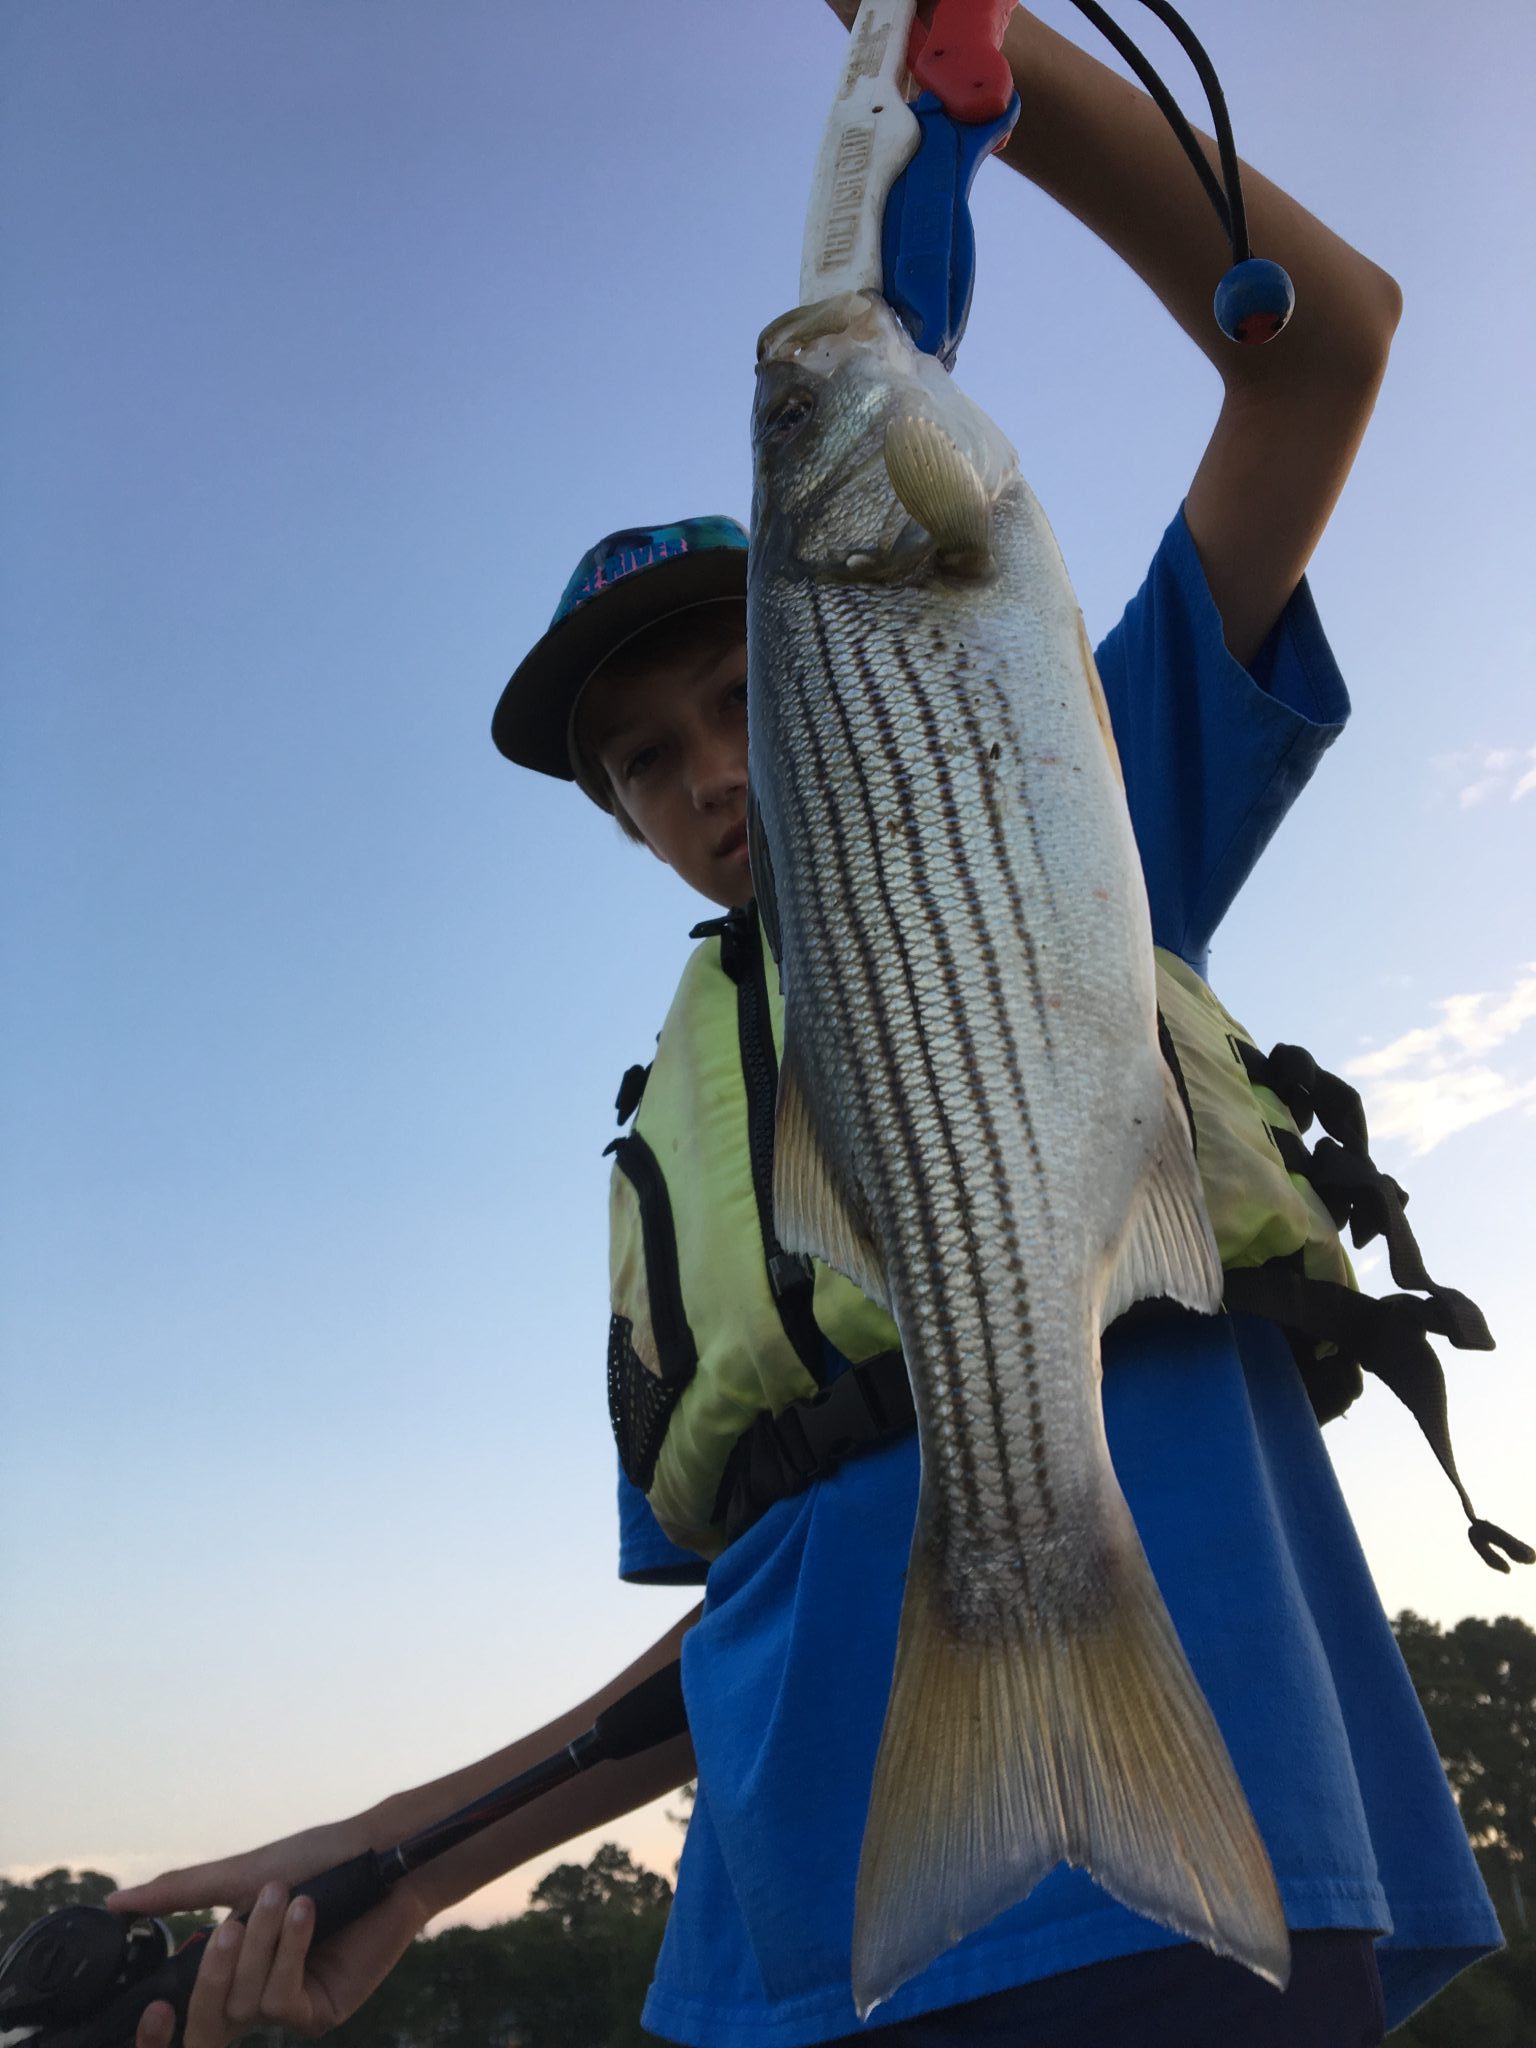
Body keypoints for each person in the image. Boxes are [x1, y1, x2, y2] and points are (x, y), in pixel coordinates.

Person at [107, 6, 1504, 2045]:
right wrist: (399, 1864)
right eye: (644, 763)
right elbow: (745, 1614)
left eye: (740, 694)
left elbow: (1329, 349)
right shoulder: (664, 1146)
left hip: (1177, 1863)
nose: (710, 778)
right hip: (764, 1959)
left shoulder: (1061, 801)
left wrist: (1000, 75)